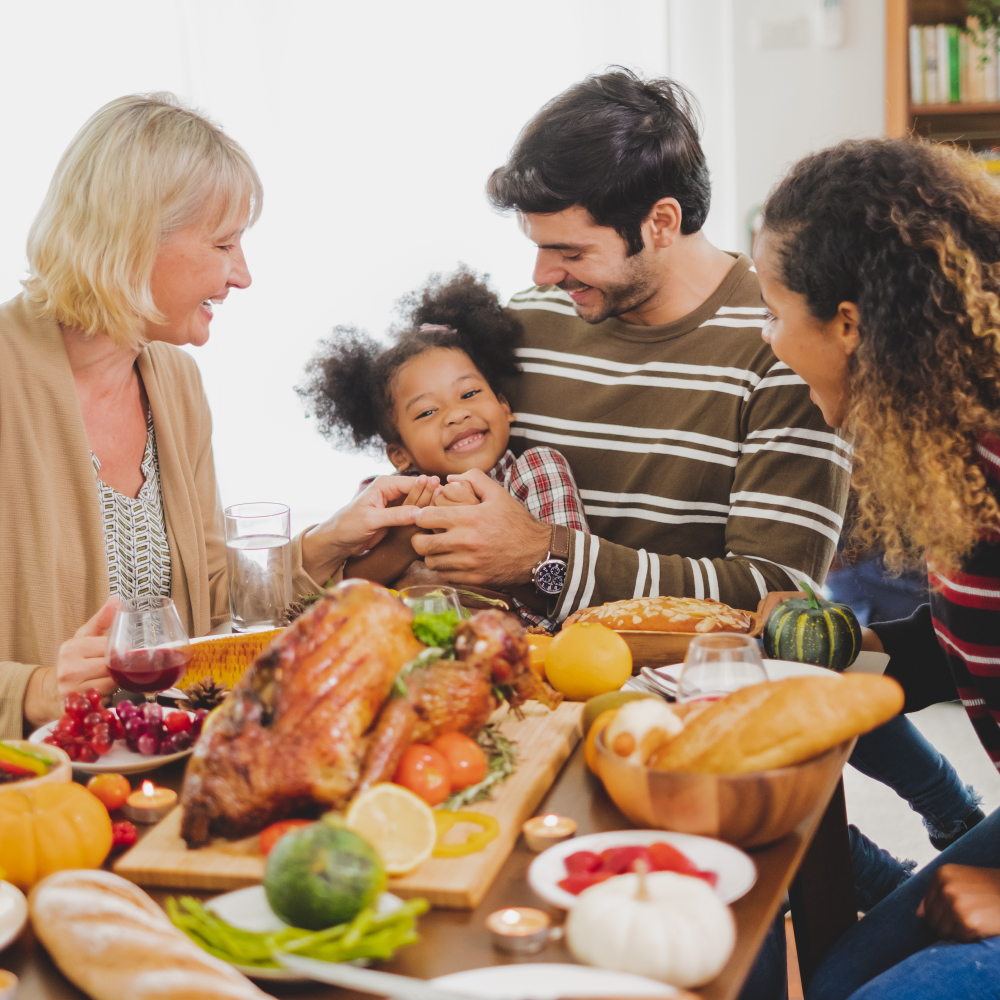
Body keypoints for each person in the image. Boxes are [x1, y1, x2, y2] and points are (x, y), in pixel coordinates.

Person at [0, 93, 421, 740]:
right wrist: (29, 689)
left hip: (162, 764)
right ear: (132, 239)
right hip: (37, 804)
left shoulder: (175, 382)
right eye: (224, 244)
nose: (243, 275)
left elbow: (215, 603)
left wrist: (335, 539)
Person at [408, 69, 850, 632]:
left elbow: (777, 593)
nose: (542, 276)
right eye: (538, 247)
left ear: (661, 222)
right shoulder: (524, 322)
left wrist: (548, 557)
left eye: (568, 251)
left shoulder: (784, 345)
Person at [752, 136, 1000, 999]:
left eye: (775, 310)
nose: (769, 339)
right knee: (836, 978)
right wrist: (847, 658)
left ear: (850, 323)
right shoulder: (956, 442)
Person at [298, 269, 588, 630]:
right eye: (427, 412)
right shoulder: (384, 499)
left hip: (527, 650)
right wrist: (406, 542)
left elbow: (573, 580)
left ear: (504, 407)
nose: (456, 414)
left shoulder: (535, 471)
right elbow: (341, 598)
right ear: (400, 456)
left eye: (468, 394)